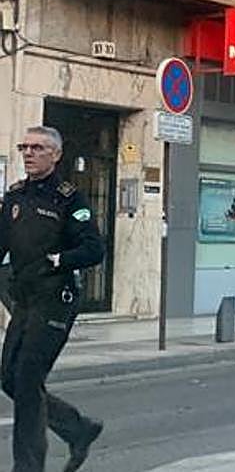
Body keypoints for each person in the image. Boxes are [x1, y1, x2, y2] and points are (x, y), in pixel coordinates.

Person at [0, 126, 104, 472]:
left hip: (56, 300)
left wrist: (59, 260)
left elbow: (94, 249)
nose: (29, 153)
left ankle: (27, 468)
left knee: (28, 381)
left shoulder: (69, 199)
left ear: (56, 155)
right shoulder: (15, 197)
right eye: (24, 147)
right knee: (10, 379)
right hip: (25, 300)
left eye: (38, 148)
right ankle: (78, 429)